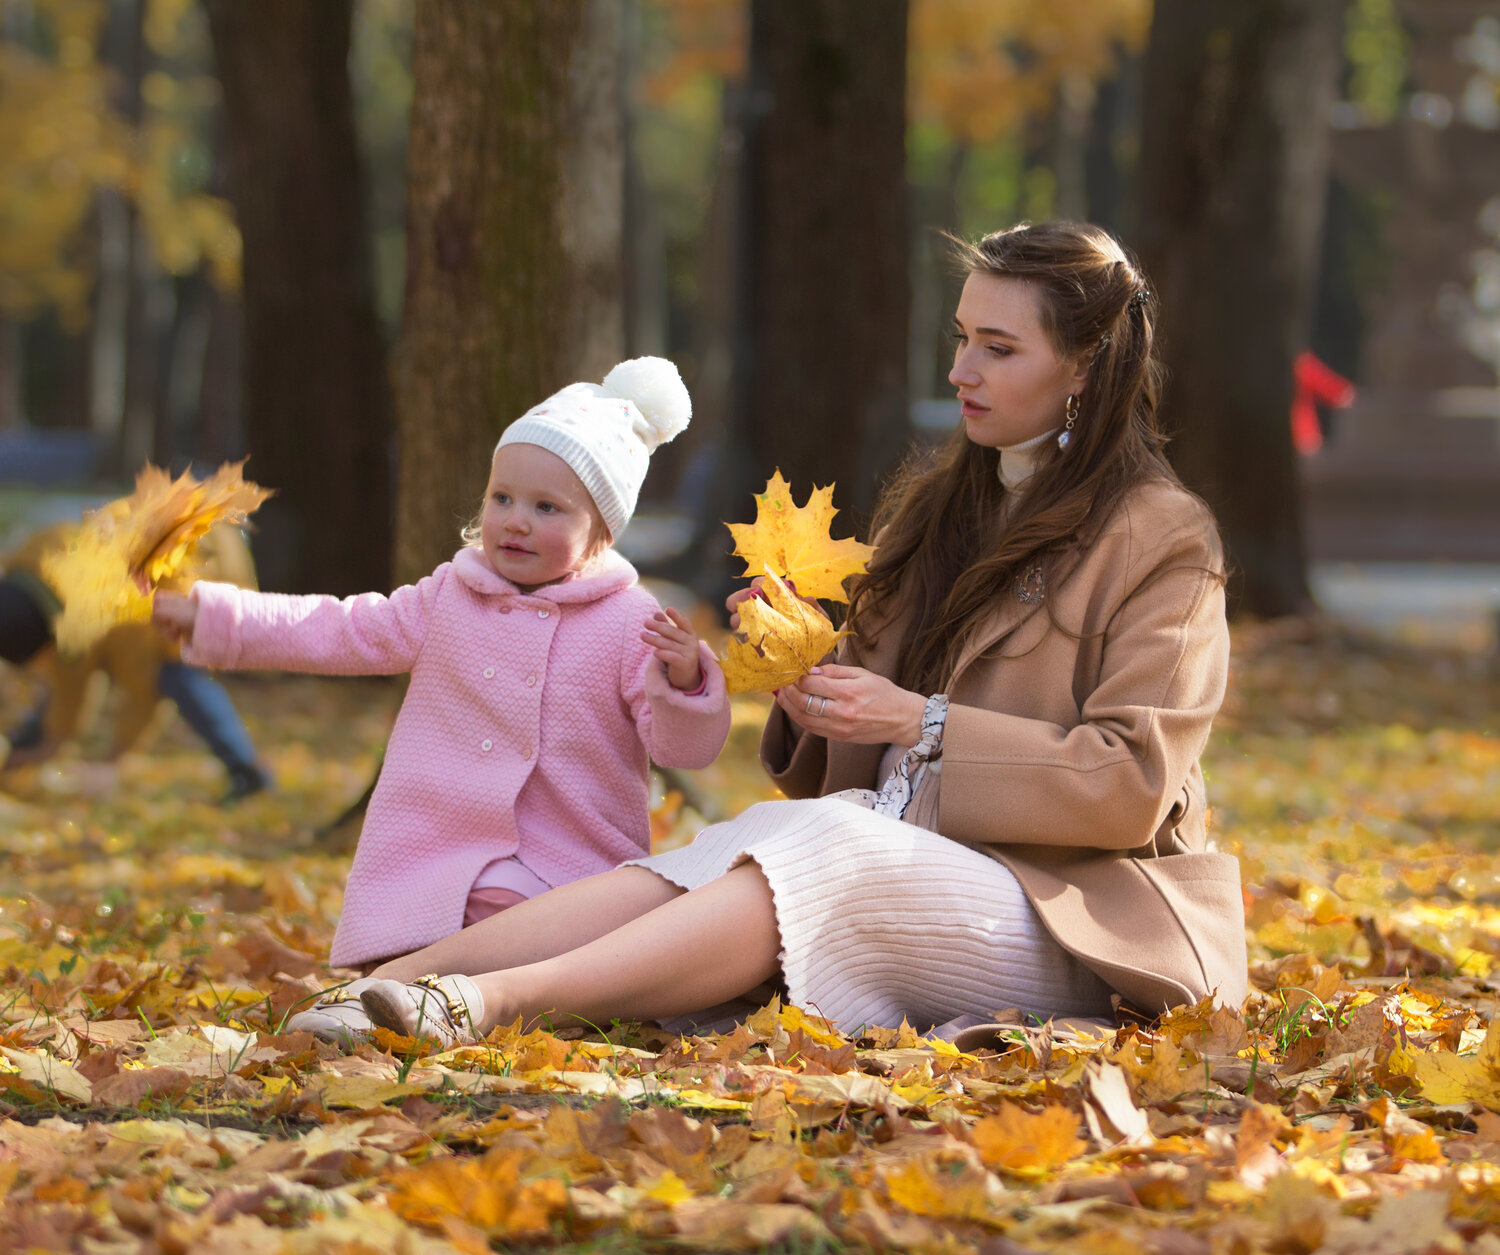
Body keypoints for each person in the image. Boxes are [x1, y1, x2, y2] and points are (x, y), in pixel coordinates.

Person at [337, 221, 1249, 1048]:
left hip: (1068, 914)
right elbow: (846, 754)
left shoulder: (1163, 537)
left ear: (1085, 365)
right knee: (748, 837)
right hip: (893, 853)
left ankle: (484, 1005)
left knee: (827, 844)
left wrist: (919, 722)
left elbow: (1131, 782)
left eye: (998, 348)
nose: (960, 370)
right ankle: (392, 986)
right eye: (961, 338)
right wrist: (802, 670)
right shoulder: (940, 510)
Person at [153, 357, 731, 1041]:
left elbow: (682, 747)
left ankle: (455, 1000)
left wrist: (687, 680)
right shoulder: (449, 595)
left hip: (561, 863)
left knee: (527, 930)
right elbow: (341, 628)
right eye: (501, 498)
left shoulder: (630, 621)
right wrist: (218, 619)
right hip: (438, 851)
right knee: (431, 920)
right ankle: (396, 1001)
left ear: (602, 530)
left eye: (547, 508)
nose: (515, 521)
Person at [2, 520, 274, 802]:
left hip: (203, 566)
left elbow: (142, 693)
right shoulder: (32, 559)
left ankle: (248, 771)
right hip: (156, 564)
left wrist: (114, 760)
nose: (42, 666)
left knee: (177, 675)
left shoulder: (123, 617)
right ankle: (21, 748)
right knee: (62, 676)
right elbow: (68, 678)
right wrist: (50, 745)